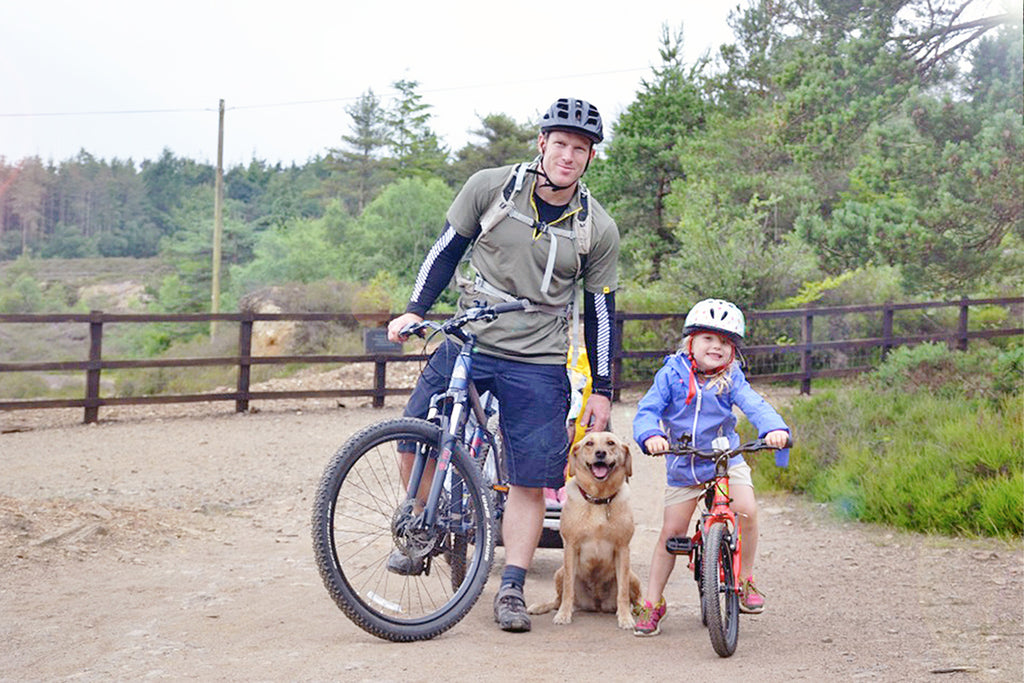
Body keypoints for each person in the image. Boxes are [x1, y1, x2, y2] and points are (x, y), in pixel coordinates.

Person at [386, 97, 620, 633]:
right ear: (542, 143)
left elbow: (600, 311)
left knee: (529, 479)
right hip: (469, 335)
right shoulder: (489, 187)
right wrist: (415, 310)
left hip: (537, 356)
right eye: (559, 143)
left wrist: (602, 387)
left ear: (589, 158)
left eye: (579, 149)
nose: (567, 155)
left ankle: (511, 586)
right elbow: (445, 250)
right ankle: (421, 523)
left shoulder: (596, 228)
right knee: (410, 437)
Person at [631, 298, 790, 637]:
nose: (716, 347)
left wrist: (773, 428)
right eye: (708, 338)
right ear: (690, 342)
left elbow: (755, 405)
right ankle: (652, 601)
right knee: (671, 533)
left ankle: (744, 578)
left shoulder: (732, 378)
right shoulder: (671, 374)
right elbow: (648, 410)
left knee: (746, 510)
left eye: (725, 342)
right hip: (684, 462)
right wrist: (651, 434)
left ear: (733, 350)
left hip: (723, 458)